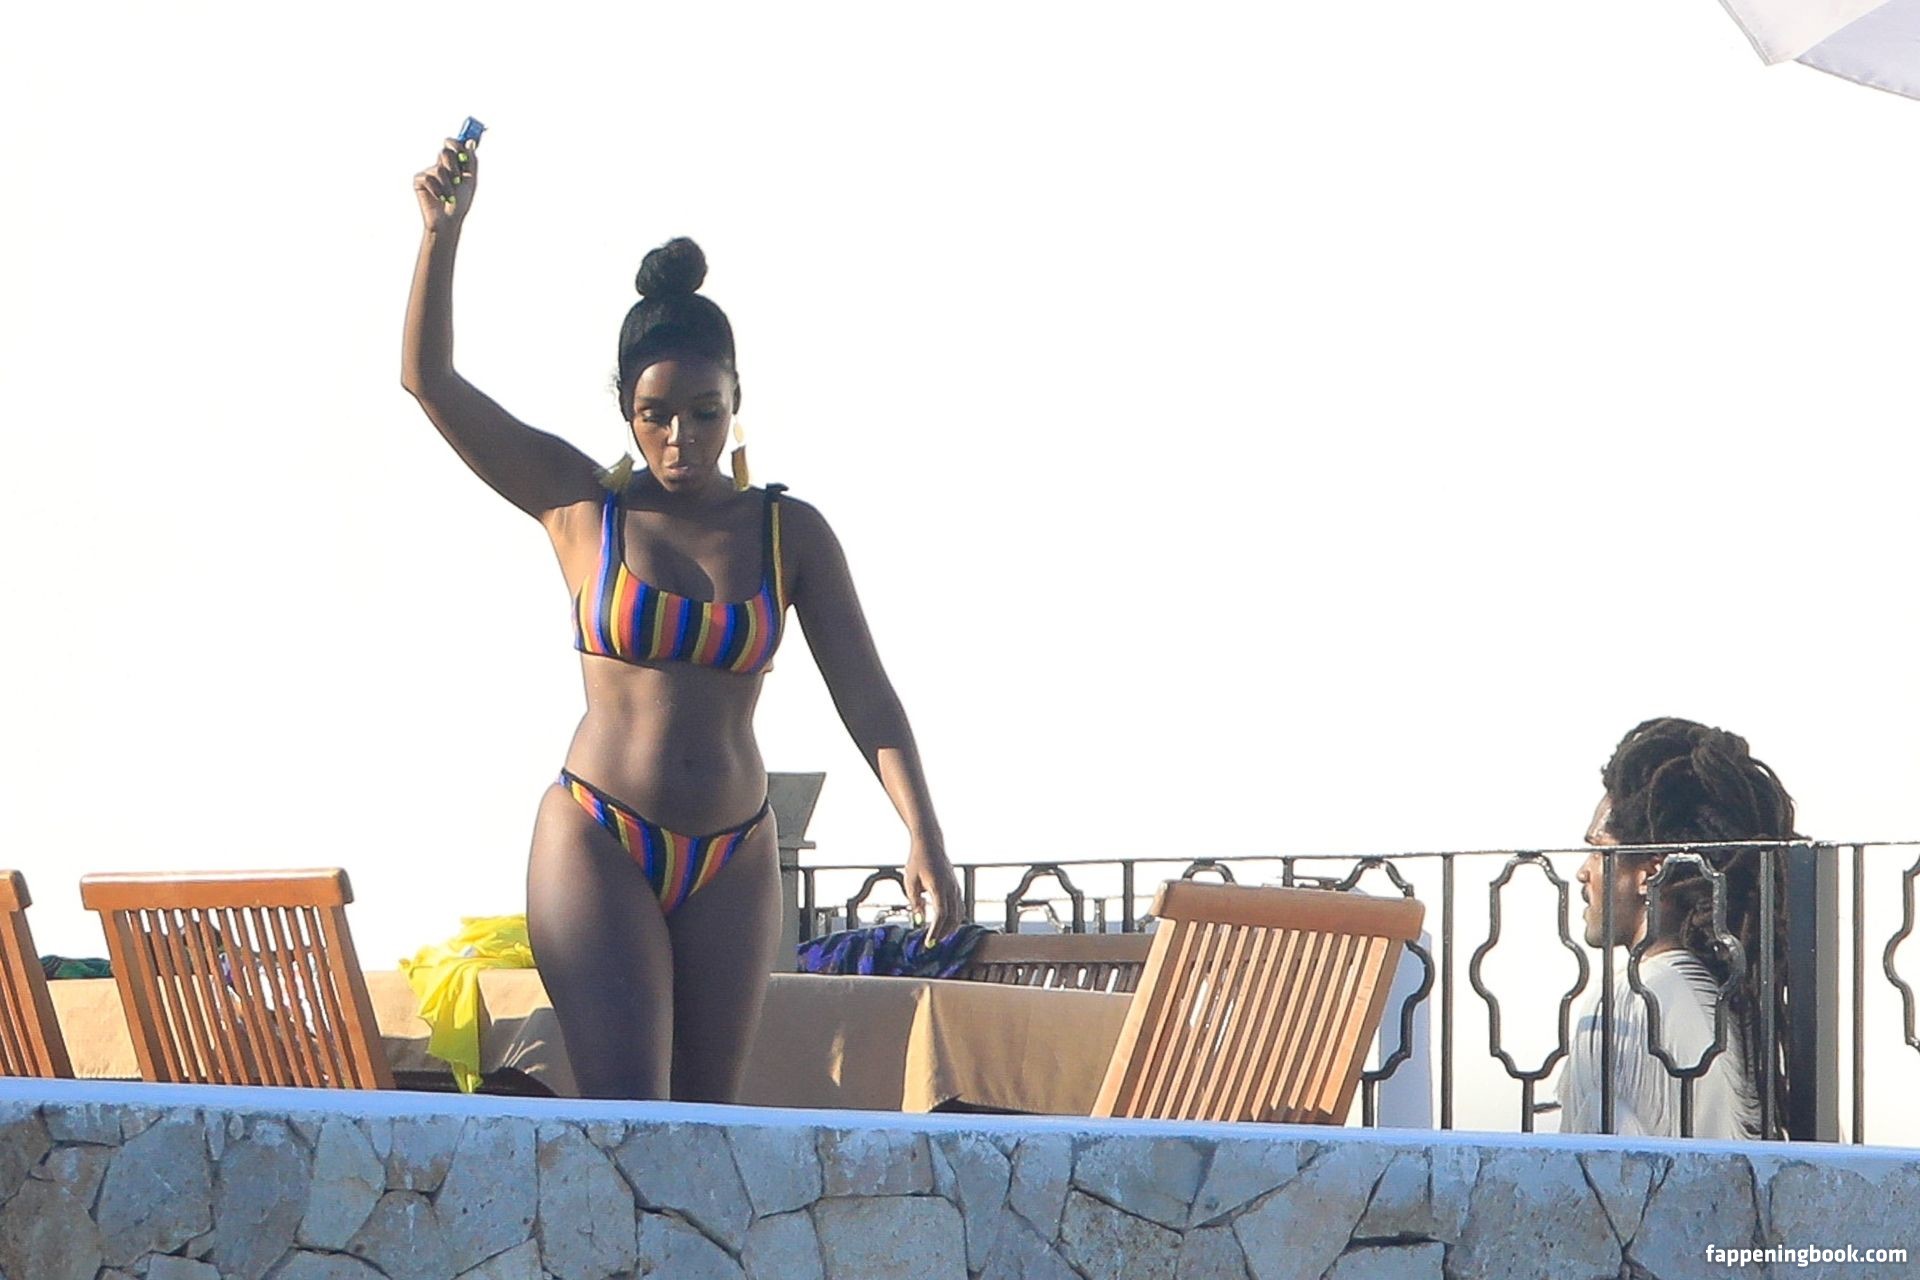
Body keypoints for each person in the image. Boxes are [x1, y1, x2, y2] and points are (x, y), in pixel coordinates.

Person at [401, 133, 962, 1101]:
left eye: (705, 412)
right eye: (656, 413)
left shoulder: (789, 532)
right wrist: (440, 236)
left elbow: (867, 693)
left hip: (734, 854)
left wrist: (924, 833)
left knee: (706, 1130)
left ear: (737, 402)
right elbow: (430, 380)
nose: (680, 437)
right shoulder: (582, 506)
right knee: (633, 1116)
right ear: (625, 407)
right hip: (598, 834)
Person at [1555, 717, 1797, 1140]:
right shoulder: (1712, 995)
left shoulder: (1635, 999)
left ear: (1650, 874)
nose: (1583, 872)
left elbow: (1604, 1171)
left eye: (1598, 851)